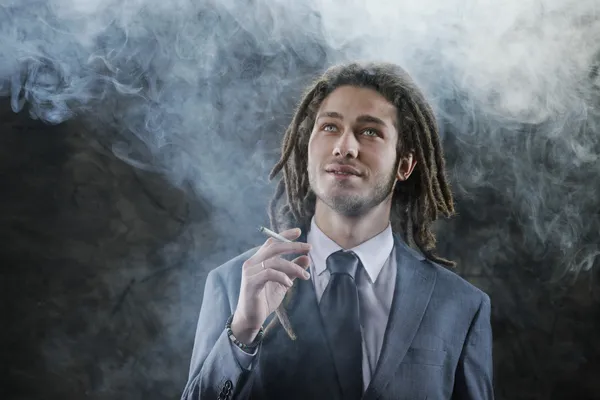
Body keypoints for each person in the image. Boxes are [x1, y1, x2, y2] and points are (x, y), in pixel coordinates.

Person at [181, 62, 494, 400]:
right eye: (330, 126)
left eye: (370, 131)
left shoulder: (460, 305)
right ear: (307, 147)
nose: (345, 146)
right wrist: (242, 331)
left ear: (404, 164)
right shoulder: (233, 284)